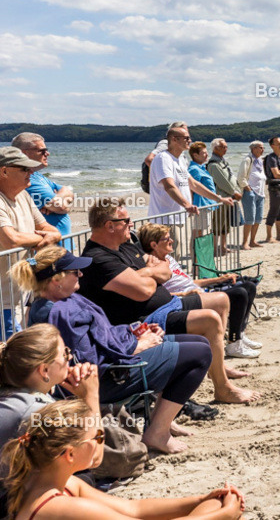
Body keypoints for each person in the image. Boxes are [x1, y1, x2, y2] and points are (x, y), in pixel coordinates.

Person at [10, 247, 212, 454]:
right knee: (200, 355)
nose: (81, 274)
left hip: (116, 358)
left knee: (198, 342)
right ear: (56, 280)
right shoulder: (57, 313)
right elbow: (88, 362)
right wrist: (137, 346)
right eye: (75, 271)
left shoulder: (59, 300)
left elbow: (101, 334)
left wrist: (134, 332)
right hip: (108, 378)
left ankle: (162, 419)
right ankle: (157, 432)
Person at [78, 200, 258, 405]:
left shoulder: (124, 246)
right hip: (144, 320)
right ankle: (222, 388)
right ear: (110, 225)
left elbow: (165, 269)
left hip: (168, 302)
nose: (131, 223)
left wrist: (142, 273)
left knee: (221, 300)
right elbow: (143, 291)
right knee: (210, 319)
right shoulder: (98, 258)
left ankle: (218, 365)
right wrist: (151, 276)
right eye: (126, 220)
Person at [1, 399, 245, 519]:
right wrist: (226, 514)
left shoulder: (52, 482)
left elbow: (134, 508)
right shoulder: (62, 506)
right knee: (218, 511)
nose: (102, 441)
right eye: (97, 436)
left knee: (212, 505)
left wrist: (201, 499)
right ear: (71, 453)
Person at [137, 224, 260, 359]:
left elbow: (189, 282)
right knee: (239, 294)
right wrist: (184, 294)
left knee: (249, 286)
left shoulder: (169, 259)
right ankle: (233, 344)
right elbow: (159, 296)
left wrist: (219, 279)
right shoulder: (154, 268)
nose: (171, 241)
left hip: (199, 292)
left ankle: (239, 334)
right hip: (185, 300)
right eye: (167, 239)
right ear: (154, 245)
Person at [0, 324, 100, 454]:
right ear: (44, 370)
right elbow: (92, 456)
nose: (70, 357)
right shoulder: (39, 411)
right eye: (65, 353)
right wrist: (91, 395)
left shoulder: (12, 394)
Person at [0, 147, 62, 336]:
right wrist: (41, 238)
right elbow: (11, 240)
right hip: (3, 301)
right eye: (24, 169)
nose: (31, 173)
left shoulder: (23, 195)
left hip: (21, 294)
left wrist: (49, 236)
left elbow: (52, 230)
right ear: (4, 171)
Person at [148, 123, 233, 226]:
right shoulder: (163, 158)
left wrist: (219, 199)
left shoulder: (180, 160)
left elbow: (194, 184)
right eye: (186, 138)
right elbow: (169, 186)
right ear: (174, 139)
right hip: (166, 220)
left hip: (179, 217)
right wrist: (187, 205)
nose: (190, 141)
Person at [13, 134, 73, 250]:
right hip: (48, 251)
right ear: (25, 153)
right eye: (42, 150)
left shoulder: (37, 176)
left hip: (60, 247)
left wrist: (58, 197)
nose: (47, 153)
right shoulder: (27, 180)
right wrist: (61, 201)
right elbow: (61, 207)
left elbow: (67, 190)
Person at [206, 139, 243, 258]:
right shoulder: (213, 164)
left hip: (229, 198)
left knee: (226, 225)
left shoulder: (223, 162)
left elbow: (232, 178)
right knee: (218, 224)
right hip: (220, 198)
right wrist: (234, 192)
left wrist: (237, 190)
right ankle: (214, 248)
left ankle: (223, 247)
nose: (225, 149)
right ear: (215, 148)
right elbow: (222, 182)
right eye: (223, 147)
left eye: (226, 147)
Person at [236, 141, 265, 250]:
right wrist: (247, 187)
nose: (262, 150)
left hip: (260, 192)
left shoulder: (260, 160)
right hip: (250, 192)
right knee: (250, 218)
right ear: (253, 149)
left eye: (263, 148)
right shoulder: (247, 160)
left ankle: (253, 240)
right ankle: (245, 242)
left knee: (258, 218)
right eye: (260, 148)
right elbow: (241, 176)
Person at [262, 136, 280, 242]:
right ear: (272, 146)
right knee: (274, 210)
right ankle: (269, 236)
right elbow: (276, 174)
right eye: (278, 143)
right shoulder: (271, 157)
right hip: (275, 187)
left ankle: (279, 234)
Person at [186, 142, 217, 236]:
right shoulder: (194, 169)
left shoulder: (202, 167)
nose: (207, 154)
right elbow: (191, 187)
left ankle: (200, 250)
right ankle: (196, 250)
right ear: (195, 155)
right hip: (201, 204)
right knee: (198, 232)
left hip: (207, 204)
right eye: (204, 153)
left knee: (203, 230)